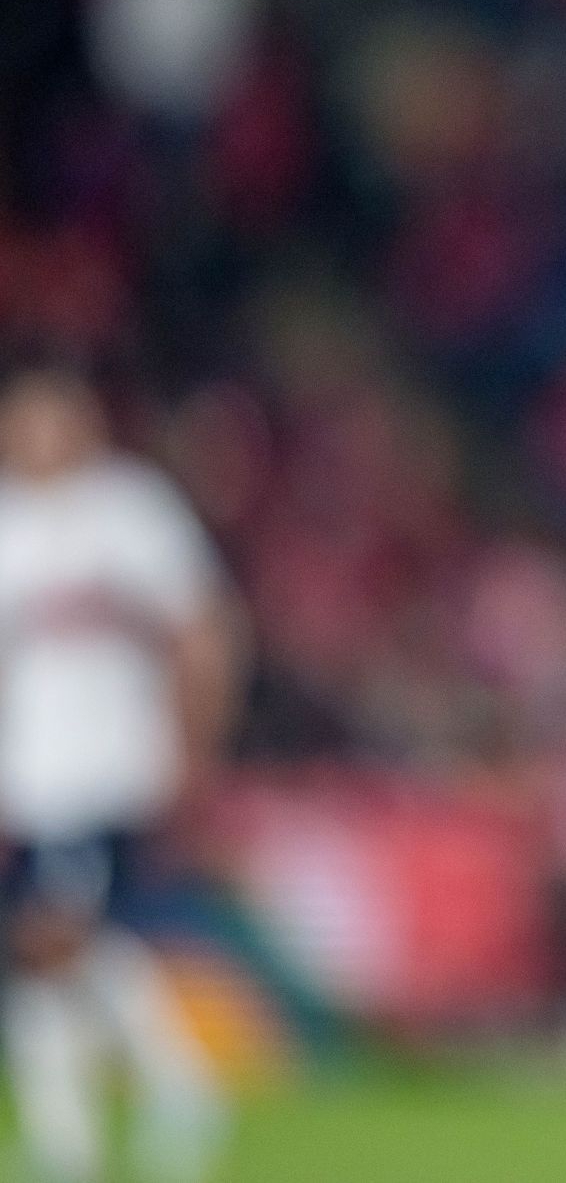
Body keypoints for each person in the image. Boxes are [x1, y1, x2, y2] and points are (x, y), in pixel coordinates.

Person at [0, 359, 243, 1183]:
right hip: (33, 779)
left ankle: (178, 1083)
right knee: (51, 954)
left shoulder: (131, 512)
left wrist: (193, 744)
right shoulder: (8, 523)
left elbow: (202, 631)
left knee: (50, 942)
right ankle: (64, 1138)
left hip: (112, 767)